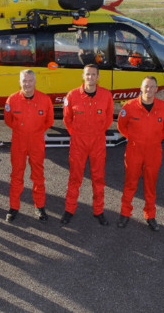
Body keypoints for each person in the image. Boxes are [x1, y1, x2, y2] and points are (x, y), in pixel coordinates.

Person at [117, 76, 164, 231]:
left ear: (156, 89)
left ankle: (150, 215)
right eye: (146, 86)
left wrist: (154, 139)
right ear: (141, 88)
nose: (149, 89)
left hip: (153, 152)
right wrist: (135, 139)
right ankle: (125, 213)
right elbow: (122, 126)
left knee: (150, 185)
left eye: (152, 87)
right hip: (134, 150)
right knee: (130, 183)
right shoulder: (129, 106)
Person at [61, 64, 114, 225]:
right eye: (87, 74)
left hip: (98, 142)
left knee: (98, 178)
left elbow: (108, 118)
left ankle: (98, 211)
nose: (90, 77)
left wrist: (97, 133)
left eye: (93, 75)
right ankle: (69, 210)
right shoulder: (72, 96)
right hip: (78, 143)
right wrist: (78, 134)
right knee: (75, 178)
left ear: (98, 77)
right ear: (83, 76)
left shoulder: (106, 95)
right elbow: (67, 119)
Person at [4, 70, 54, 222]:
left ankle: (40, 206)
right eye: (24, 81)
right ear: (20, 82)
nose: (27, 84)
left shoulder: (45, 100)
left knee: (38, 175)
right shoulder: (11, 100)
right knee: (16, 175)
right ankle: (13, 207)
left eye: (30, 80)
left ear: (35, 81)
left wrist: (35, 131)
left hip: (36, 141)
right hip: (18, 141)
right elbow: (8, 121)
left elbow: (49, 121)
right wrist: (22, 130)